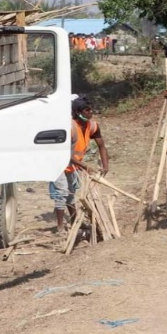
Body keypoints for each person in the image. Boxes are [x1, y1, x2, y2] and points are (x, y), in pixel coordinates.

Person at [49, 96, 109, 232]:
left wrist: (105, 166)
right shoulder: (69, 127)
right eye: (87, 110)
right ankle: (60, 227)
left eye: (91, 109)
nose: (90, 112)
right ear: (78, 112)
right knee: (62, 193)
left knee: (71, 193)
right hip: (59, 164)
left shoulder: (92, 126)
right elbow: (65, 155)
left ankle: (76, 222)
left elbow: (102, 145)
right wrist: (85, 167)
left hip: (73, 165)